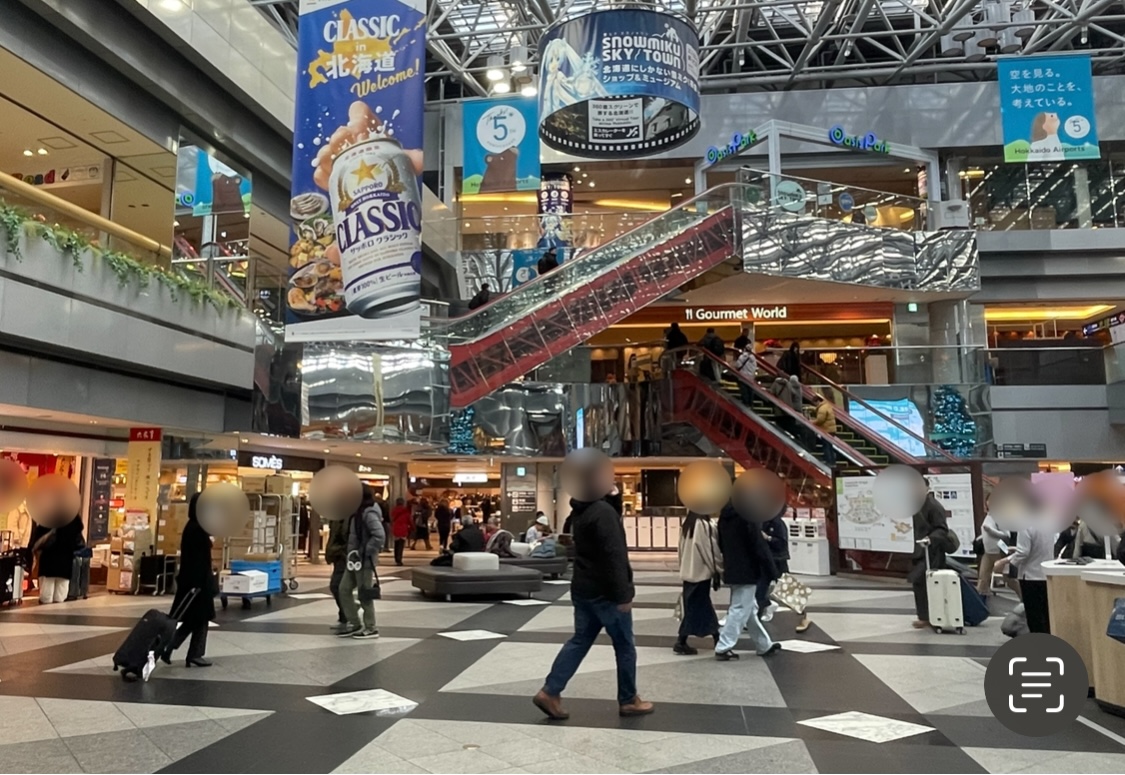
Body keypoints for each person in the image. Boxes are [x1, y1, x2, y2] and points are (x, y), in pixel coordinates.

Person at [534, 450, 652, 720]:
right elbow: (614, 555)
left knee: (580, 640)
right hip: (607, 593)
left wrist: (614, 496)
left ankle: (550, 691)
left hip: (584, 589)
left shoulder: (581, 509)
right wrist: (623, 594)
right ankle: (628, 699)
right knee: (624, 645)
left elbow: (609, 520)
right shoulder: (601, 513)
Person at [714, 499, 781, 660]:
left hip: (733, 566)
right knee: (740, 608)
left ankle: (764, 645)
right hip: (748, 568)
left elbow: (721, 542)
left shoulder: (725, 516)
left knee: (749, 607)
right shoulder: (748, 515)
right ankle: (723, 646)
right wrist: (771, 568)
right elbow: (757, 544)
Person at [162, 493, 215, 666]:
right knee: (199, 618)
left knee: (193, 619)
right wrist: (200, 584)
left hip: (193, 582)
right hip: (197, 583)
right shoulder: (197, 529)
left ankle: (169, 647)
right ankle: (194, 654)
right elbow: (198, 560)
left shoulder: (193, 526)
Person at [337, 487, 385, 639]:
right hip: (353, 560)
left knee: (364, 594)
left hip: (364, 561)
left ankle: (371, 627)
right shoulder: (357, 512)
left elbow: (379, 535)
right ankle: (355, 622)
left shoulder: (368, 513)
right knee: (344, 589)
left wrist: (364, 550)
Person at [908, 485, 957, 629]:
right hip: (921, 550)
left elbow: (942, 529)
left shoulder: (933, 506)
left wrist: (930, 539)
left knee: (924, 581)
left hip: (932, 551)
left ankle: (930, 616)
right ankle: (927, 616)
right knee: (921, 583)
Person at [674, 511, 721, 655]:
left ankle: (716, 637)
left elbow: (680, 549)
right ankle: (715, 637)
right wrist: (717, 569)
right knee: (700, 606)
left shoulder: (688, 524)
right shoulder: (703, 525)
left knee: (695, 606)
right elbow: (708, 550)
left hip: (688, 572)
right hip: (700, 573)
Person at [995, 523, 1056, 633]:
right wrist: (1016, 550)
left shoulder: (1025, 527)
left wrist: (1004, 562)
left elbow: (1023, 552)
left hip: (1029, 576)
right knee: (1045, 616)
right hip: (1044, 575)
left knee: (1034, 617)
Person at [32, 515, 84, 605]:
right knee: (60, 595)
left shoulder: (48, 517)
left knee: (46, 595)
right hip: (65, 561)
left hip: (49, 560)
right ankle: (58, 614)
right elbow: (78, 541)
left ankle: (45, 614)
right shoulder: (73, 519)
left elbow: (38, 537)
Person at [976, 506, 1020, 601]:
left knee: (1008, 578)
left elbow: (1006, 535)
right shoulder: (988, 517)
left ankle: (1023, 597)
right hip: (988, 552)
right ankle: (979, 601)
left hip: (999, 551)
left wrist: (990, 531)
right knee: (983, 577)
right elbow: (985, 531)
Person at [756, 511, 788, 623]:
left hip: (777, 561)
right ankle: (760, 613)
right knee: (760, 590)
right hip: (765, 561)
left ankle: (803, 614)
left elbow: (782, 543)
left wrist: (768, 538)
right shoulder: (760, 522)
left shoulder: (778, 523)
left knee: (788, 590)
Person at [325, 515, 350, 630]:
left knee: (337, 586)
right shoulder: (336, 517)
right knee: (338, 586)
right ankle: (344, 615)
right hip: (338, 555)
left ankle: (348, 614)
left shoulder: (348, 516)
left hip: (344, 556)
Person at [809, 394, 838, 468]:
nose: (815, 405)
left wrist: (812, 422)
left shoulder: (822, 409)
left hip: (826, 430)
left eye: (815, 403)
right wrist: (813, 409)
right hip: (832, 429)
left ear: (818, 401)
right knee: (829, 446)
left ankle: (828, 461)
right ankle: (832, 462)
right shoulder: (826, 405)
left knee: (826, 446)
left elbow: (820, 420)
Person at [390, 497, 412, 566]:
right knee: (401, 545)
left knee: (396, 544)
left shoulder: (393, 510)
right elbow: (410, 520)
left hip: (396, 529)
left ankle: (396, 558)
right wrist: (413, 527)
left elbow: (391, 519)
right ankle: (399, 559)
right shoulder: (406, 511)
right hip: (403, 529)